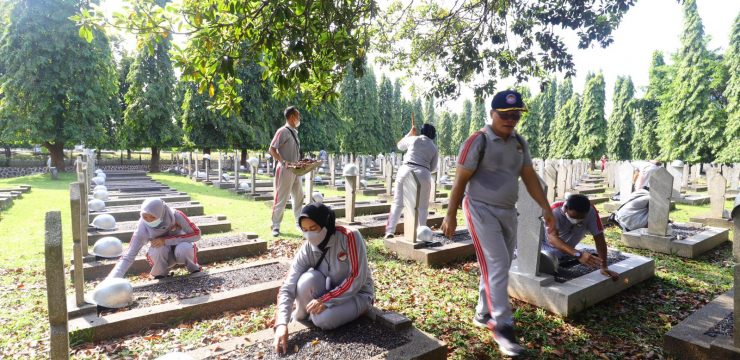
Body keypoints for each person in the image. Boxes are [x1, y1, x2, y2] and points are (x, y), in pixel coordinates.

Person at [441, 90, 556, 357]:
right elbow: (460, 181)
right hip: (480, 209)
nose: (511, 119)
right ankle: (502, 326)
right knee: (496, 264)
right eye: (504, 114)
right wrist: (450, 213)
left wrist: (546, 208)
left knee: (500, 264)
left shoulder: (519, 143)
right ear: (492, 114)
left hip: (507, 211)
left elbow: (528, 177)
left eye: (515, 115)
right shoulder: (477, 141)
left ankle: (483, 313)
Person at [273, 203, 374, 354]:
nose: (309, 235)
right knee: (306, 280)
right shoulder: (307, 248)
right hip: (330, 290)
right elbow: (288, 285)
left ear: (326, 224)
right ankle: (301, 314)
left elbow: (356, 278)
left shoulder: (349, 236)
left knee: (322, 319)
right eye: (305, 230)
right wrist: (281, 323)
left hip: (358, 293)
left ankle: (363, 308)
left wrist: (325, 300)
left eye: (313, 228)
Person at [107, 198, 201, 279]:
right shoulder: (142, 228)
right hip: (163, 256)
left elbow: (197, 234)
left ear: (161, 213)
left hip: (182, 251)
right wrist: (113, 277)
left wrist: (165, 240)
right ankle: (160, 274)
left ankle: (194, 269)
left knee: (184, 247)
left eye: (153, 217)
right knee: (158, 248)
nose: (149, 220)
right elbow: (128, 255)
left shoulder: (176, 215)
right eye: (145, 216)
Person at [539, 194, 619, 280]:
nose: (577, 220)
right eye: (574, 217)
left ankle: (566, 255)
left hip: (568, 247)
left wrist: (604, 266)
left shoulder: (591, 211)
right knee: (547, 263)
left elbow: (599, 238)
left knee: (567, 257)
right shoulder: (554, 211)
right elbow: (552, 239)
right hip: (547, 246)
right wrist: (578, 254)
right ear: (566, 208)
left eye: (581, 218)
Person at [384, 124, 439, 238]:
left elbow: (400, 146)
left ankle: (390, 231)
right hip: (423, 173)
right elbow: (433, 167)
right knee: (422, 206)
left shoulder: (414, 139)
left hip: (406, 170)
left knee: (398, 203)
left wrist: (410, 133)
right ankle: (421, 233)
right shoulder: (433, 147)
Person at [269, 106, 304, 237]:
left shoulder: (294, 132)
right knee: (281, 198)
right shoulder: (282, 131)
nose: (299, 118)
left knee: (299, 197)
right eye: (298, 116)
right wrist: (283, 162)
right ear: (291, 117)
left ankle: (299, 223)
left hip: (296, 170)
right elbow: (272, 149)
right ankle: (275, 226)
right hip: (285, 170)